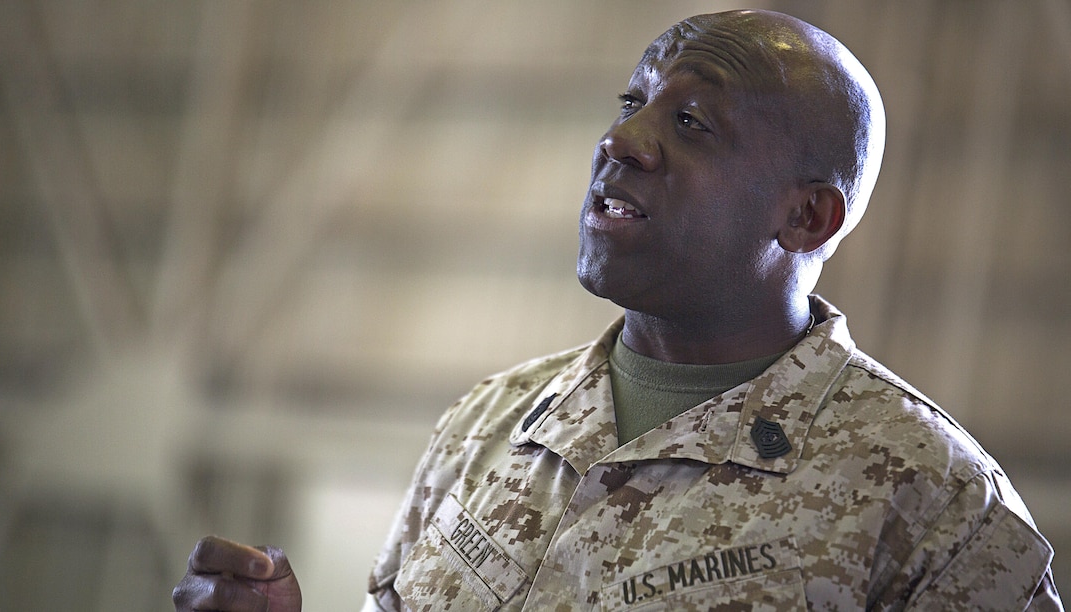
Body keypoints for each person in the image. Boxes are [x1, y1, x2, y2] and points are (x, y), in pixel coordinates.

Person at [172, 9, 1062, 611]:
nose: (621, 140)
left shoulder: (936, 503)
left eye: (693, 124)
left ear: (806, 216)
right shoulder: (490, 424)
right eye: (635, 103)